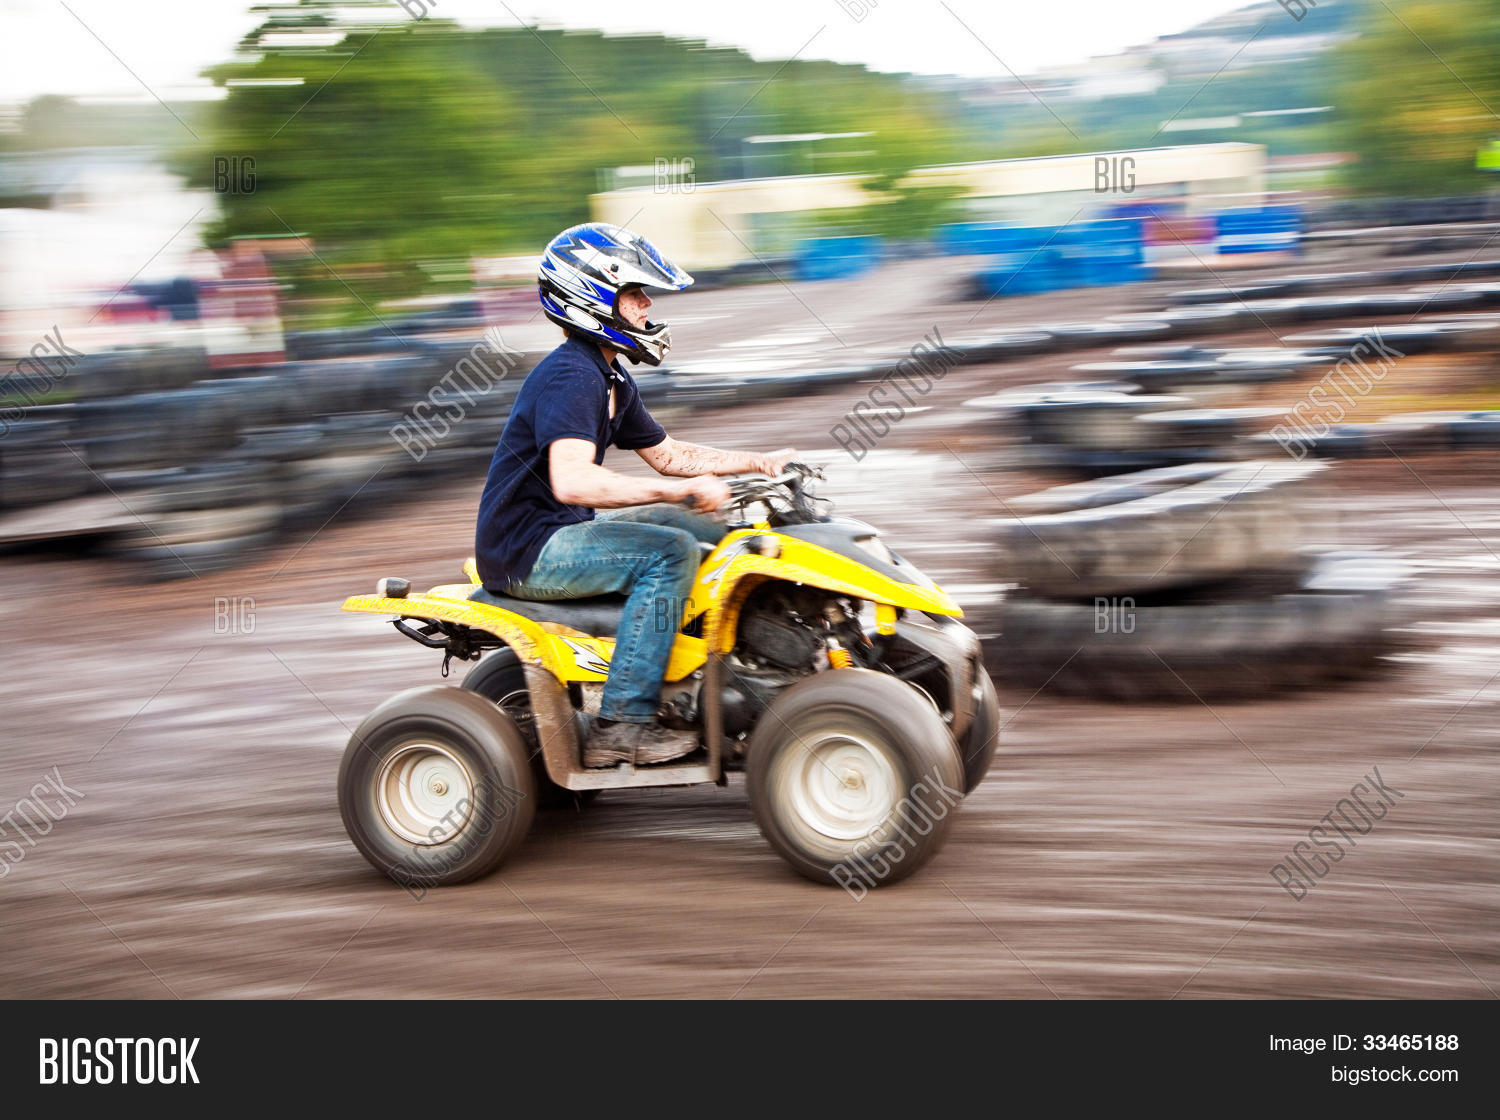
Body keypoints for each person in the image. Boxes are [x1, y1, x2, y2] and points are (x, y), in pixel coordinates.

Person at [475, 223, 795, 768]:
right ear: (592, 297)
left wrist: (756, 463)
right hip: (527, 550)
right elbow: (572, 482)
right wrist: (675, 493)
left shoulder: (611, 378)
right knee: (668, 554)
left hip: (563, 533)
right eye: (635, 293)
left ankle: (708, 660)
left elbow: (670, 456)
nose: (647, 305)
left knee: (712, 528)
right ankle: (623, 723)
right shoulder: (571, 377)